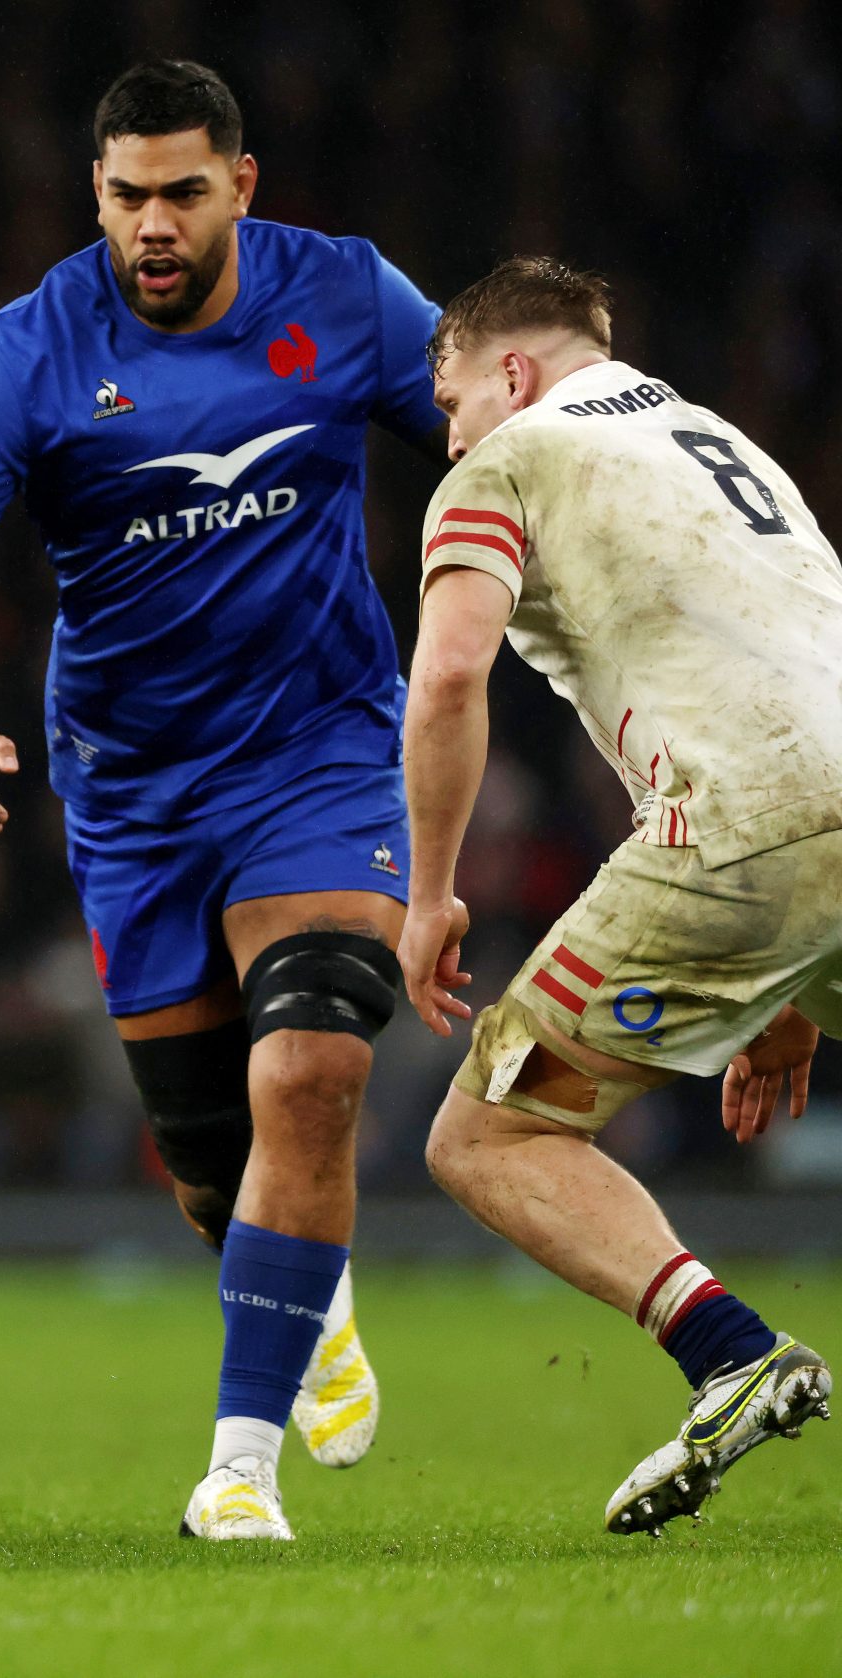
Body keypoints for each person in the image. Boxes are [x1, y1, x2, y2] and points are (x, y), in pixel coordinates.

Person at [0, 60, 441, 1540]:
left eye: (185, 190)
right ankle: (313, 1275)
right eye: (128, 196)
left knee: (311, 1071)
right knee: (212, 1166)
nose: (156, 224)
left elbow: (502, 426)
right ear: (95, 195)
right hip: (131, 790)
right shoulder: (31, 351)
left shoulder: (351, 296)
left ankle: (237, 1473)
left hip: (320, 751)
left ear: (242, 183)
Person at [402, 256, 834, 1535]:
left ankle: (732, 1354)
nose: (448, 431)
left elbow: (445, 681)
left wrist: (428, 891)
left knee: (486, 1135)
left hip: (739, 833)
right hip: (815, 826)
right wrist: (795, 989)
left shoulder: (505, 460)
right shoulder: (715, 437)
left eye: (449, 399)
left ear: (513, 373)